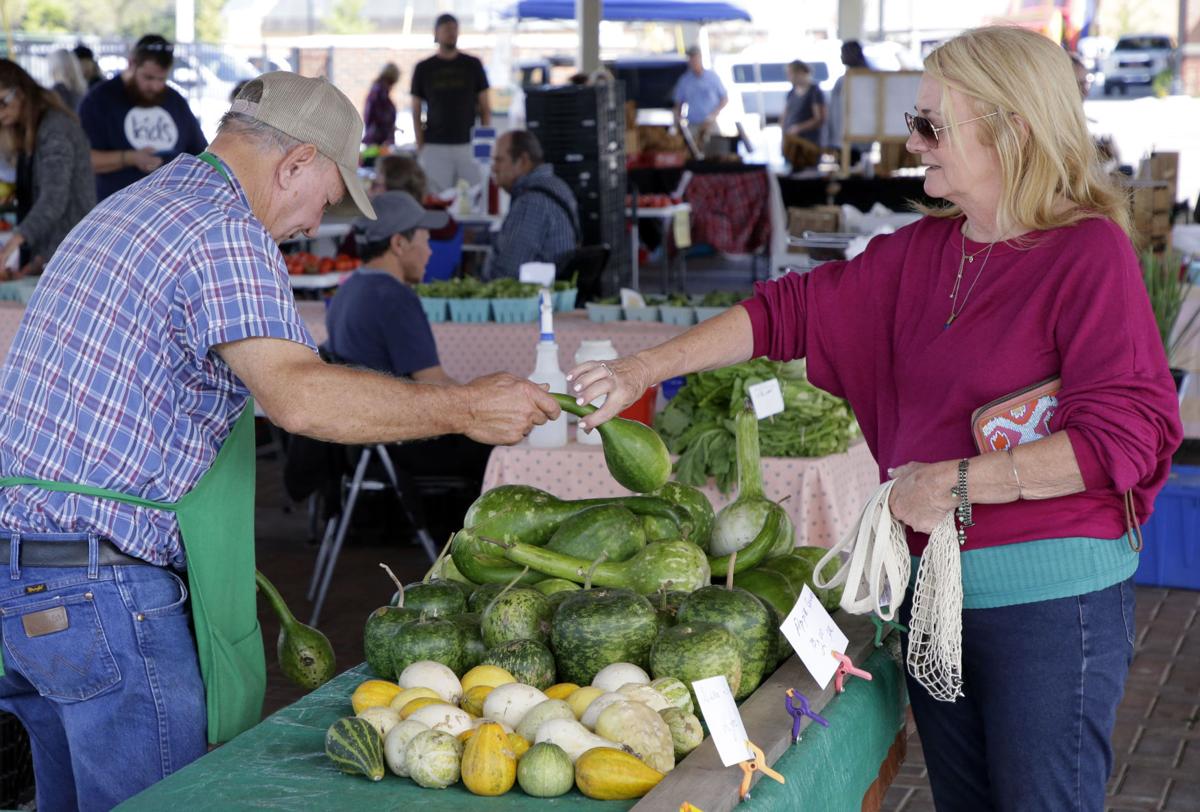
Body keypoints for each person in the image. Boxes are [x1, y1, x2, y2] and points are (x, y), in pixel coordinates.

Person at [567, 26, 1182, 811]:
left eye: (930, 124)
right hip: (938, 601)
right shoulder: (923, 252)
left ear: (1011, 127)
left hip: (1053, 611)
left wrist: (950, 485)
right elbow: (786, 313)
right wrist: (640, 369)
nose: (911, 140)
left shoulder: (1086, 253)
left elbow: (1120, 439)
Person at [0, 71, 557, 810]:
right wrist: (462, 408)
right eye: (323, 198)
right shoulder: (224, 229)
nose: (309, 223)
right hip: (102, 590)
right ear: (294, 162)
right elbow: (298, 393)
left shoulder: (134, 206)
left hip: (27, 581)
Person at [324, 191, 492, 480]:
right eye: (426, 242)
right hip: (398, 445)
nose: (430, 252)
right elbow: (434, 382)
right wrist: (485, 406)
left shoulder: (348, 288)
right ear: (399, 243)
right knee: (495, 445)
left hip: (360, 444)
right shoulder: (394, 298)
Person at [78, 34, 207, 202]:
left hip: (167, 209)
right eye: (148, 77)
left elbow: (199, 153)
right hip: (116, 209)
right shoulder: (99, 100)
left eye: (161, 79)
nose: (155, 86)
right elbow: (82, 160)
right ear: (132, 64)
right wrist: (130, 158)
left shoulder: (175, 101)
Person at [0, 59, 95, 279]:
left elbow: (54, 197)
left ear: (22, 92)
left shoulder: (55, 130)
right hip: (51, 253)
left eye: (3, 102)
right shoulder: (34, 128)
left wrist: (18, 238)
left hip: (69, 252)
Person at [483, 129, 578, 281]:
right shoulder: (557, 186)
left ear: (523, 161)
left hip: (531, 299)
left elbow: (508, 273)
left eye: (499, 160)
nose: (493, 168)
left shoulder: (531, 203)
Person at [410, 13, 490, 193]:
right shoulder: (424, 68)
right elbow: (415, 110)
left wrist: (484, 141)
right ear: (436, 33)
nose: (451, 33)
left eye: (454, 29)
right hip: (434, 145)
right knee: (436, 198)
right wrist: (420, 145)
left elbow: (485, 107)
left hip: (467, 143)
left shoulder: (473, 64)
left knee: (475, 195)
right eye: (447, 29)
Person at [370, 152, 456, 240]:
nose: (370, 191)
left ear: (395, 190)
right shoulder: (435, 219)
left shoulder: (374, 226)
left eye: (375, 185)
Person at [672, 45, 727, 151]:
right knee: (693, 152)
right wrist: (678, 122)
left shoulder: (712, 77)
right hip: (693, 125)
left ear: (700, 58)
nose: (693, 61)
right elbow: (678, 103)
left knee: (716, 152)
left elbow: (724, 99)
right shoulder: (685, 80)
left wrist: (713, 115)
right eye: (691, 58)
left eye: (695, 57)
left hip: (710, 124)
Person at [822, 39, 870, 162]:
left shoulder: (867, 79)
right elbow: (833, 112)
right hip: (843, 137)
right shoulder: (842, 80)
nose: (841, 56)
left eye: (843, 52)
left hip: (857, 138)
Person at [781, 59, 825, 170]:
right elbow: (785, 114)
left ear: (800, 72)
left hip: (808, 144)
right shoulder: (791, 92)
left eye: (791, 73)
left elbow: (819, 118)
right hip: (791, 143)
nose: (789, 77)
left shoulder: (815, 91)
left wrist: (799, 128)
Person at [363, 62, 401, 147]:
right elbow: (379, 119)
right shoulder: (380, 92)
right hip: (378, 144)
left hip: (378, 142)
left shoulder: (378, 91)